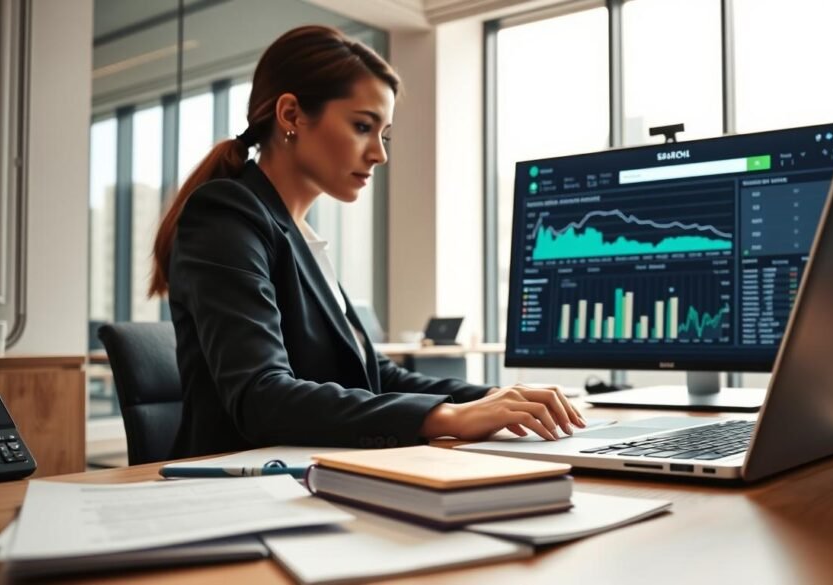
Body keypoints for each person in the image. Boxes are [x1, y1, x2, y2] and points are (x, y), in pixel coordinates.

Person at [148, 25, 585, 458]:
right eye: (362, 126)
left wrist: (495, 398)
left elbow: (377, 375)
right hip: (242, 482)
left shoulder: (301, 237)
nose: (380, 153)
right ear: (291, 115)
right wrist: (448, 417)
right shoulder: (226, 214)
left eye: (384, 134)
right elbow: (262, 396)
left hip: (315, 471)